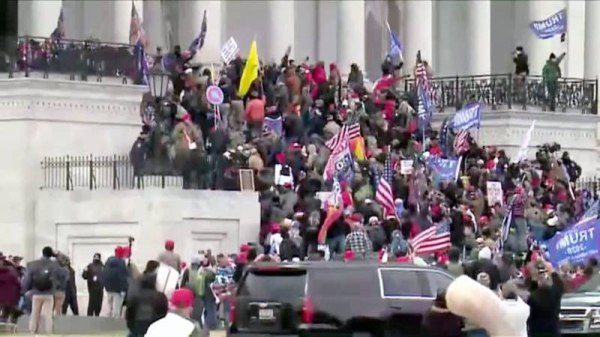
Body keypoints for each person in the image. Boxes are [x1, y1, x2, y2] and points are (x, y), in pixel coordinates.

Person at [21, 246, 62, 334]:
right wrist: (58, 256)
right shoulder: (54, 264)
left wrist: (26, 290)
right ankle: (48, 332)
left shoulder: (33, 264)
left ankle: (32, 332)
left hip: (36, 292)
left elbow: (28, 279)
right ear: (51, 254)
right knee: (48, 315)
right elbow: (63, 275)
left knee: (34, 313)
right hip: (49, 293)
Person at [527, 260, 564, 337]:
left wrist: (534, 277)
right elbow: (559, 285)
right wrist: (551, 270)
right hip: (553, 331)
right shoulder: (554, 294)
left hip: (537, 332)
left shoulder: (533, 297)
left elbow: (530, 292)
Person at [101, 246, 129, 318]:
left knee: (109, 305)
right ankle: (115, 323)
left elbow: (104, 273)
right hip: (118, 289)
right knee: (117, 307)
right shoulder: (121, 262)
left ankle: (108, 320)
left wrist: (105, 285)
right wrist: (124, 288)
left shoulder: (108, 260)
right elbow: (123, 277)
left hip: (109, 287)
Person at [0, 257, 20, 323]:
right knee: (6, 315)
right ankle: (3, 325)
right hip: (10, 299)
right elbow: (18, 285)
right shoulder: (12, 274)